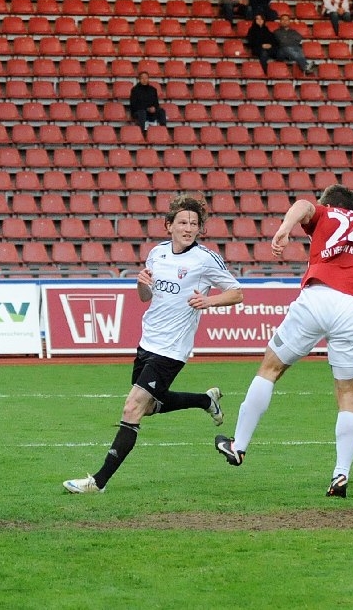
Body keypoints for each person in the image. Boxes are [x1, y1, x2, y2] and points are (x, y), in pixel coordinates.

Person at [214, 185, 353, 498]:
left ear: (327, 204)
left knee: (270, 369)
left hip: (317, 296)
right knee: (348, 395)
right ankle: (340, 475)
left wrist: (285, 228)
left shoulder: (324, 213)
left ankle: (238, 446)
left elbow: (303, 205)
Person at [64, 195, 244, 494]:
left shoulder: (204, 259)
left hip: (172, 348)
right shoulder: (157, 254)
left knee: (132, 408)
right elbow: (145, 297)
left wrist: (208, 301)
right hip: (148, 341)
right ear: (169, 225)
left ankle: (98, 481)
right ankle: (205, 401)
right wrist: (141, 284)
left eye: (194, 223)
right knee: (148, 407)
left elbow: (237, 293)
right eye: (183, 222)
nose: (189, 228)